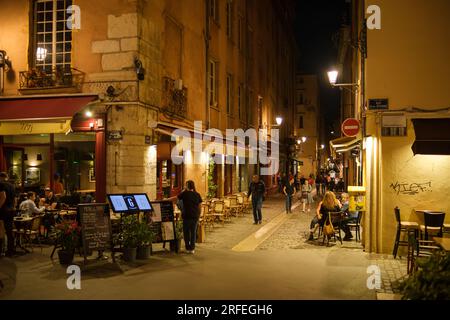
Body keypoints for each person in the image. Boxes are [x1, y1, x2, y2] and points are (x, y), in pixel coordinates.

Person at [177, 180, 202, 254]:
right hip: (195, 216)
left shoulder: (185, 193)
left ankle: (187, 248)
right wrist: (199, 215)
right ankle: (192, 249)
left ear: (187, 186)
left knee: (186, 232)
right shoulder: (197, 194)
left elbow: (177, 198)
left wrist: (184, 190)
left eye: (186, 185)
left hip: (187, 216)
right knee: (193, 232)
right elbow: (199, 206)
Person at [0, 172, 16, 257]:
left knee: (1, 230)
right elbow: (14, 199)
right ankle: (10, 250)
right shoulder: (11, 186)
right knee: (9, 231)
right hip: (10, 210)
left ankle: (1, 250)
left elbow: (3, 197)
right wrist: (13, 207)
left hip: (3, 211)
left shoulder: (1, 184)